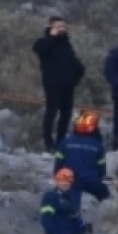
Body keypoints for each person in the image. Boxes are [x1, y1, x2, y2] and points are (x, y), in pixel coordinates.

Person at [33, 17, 86, 151]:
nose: (61, 29)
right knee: (51, 112)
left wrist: (79, 72)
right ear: (50, 27)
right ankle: (48, 143)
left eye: (63, 26)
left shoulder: (66, 43)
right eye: (58, 26)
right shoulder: (44, 42)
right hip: (53, 84)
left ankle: (60, 142)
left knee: (66, 114)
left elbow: (72, 61)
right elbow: (39, 49)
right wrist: (52, 37)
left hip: (68, 84)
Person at [53, 110, 110, 204]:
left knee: (68, 203)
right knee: (105, 194)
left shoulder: (65, 142)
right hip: (91, 182)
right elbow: (102, 171)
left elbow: (58, 167)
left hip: (71, 182)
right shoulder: (98, 146)